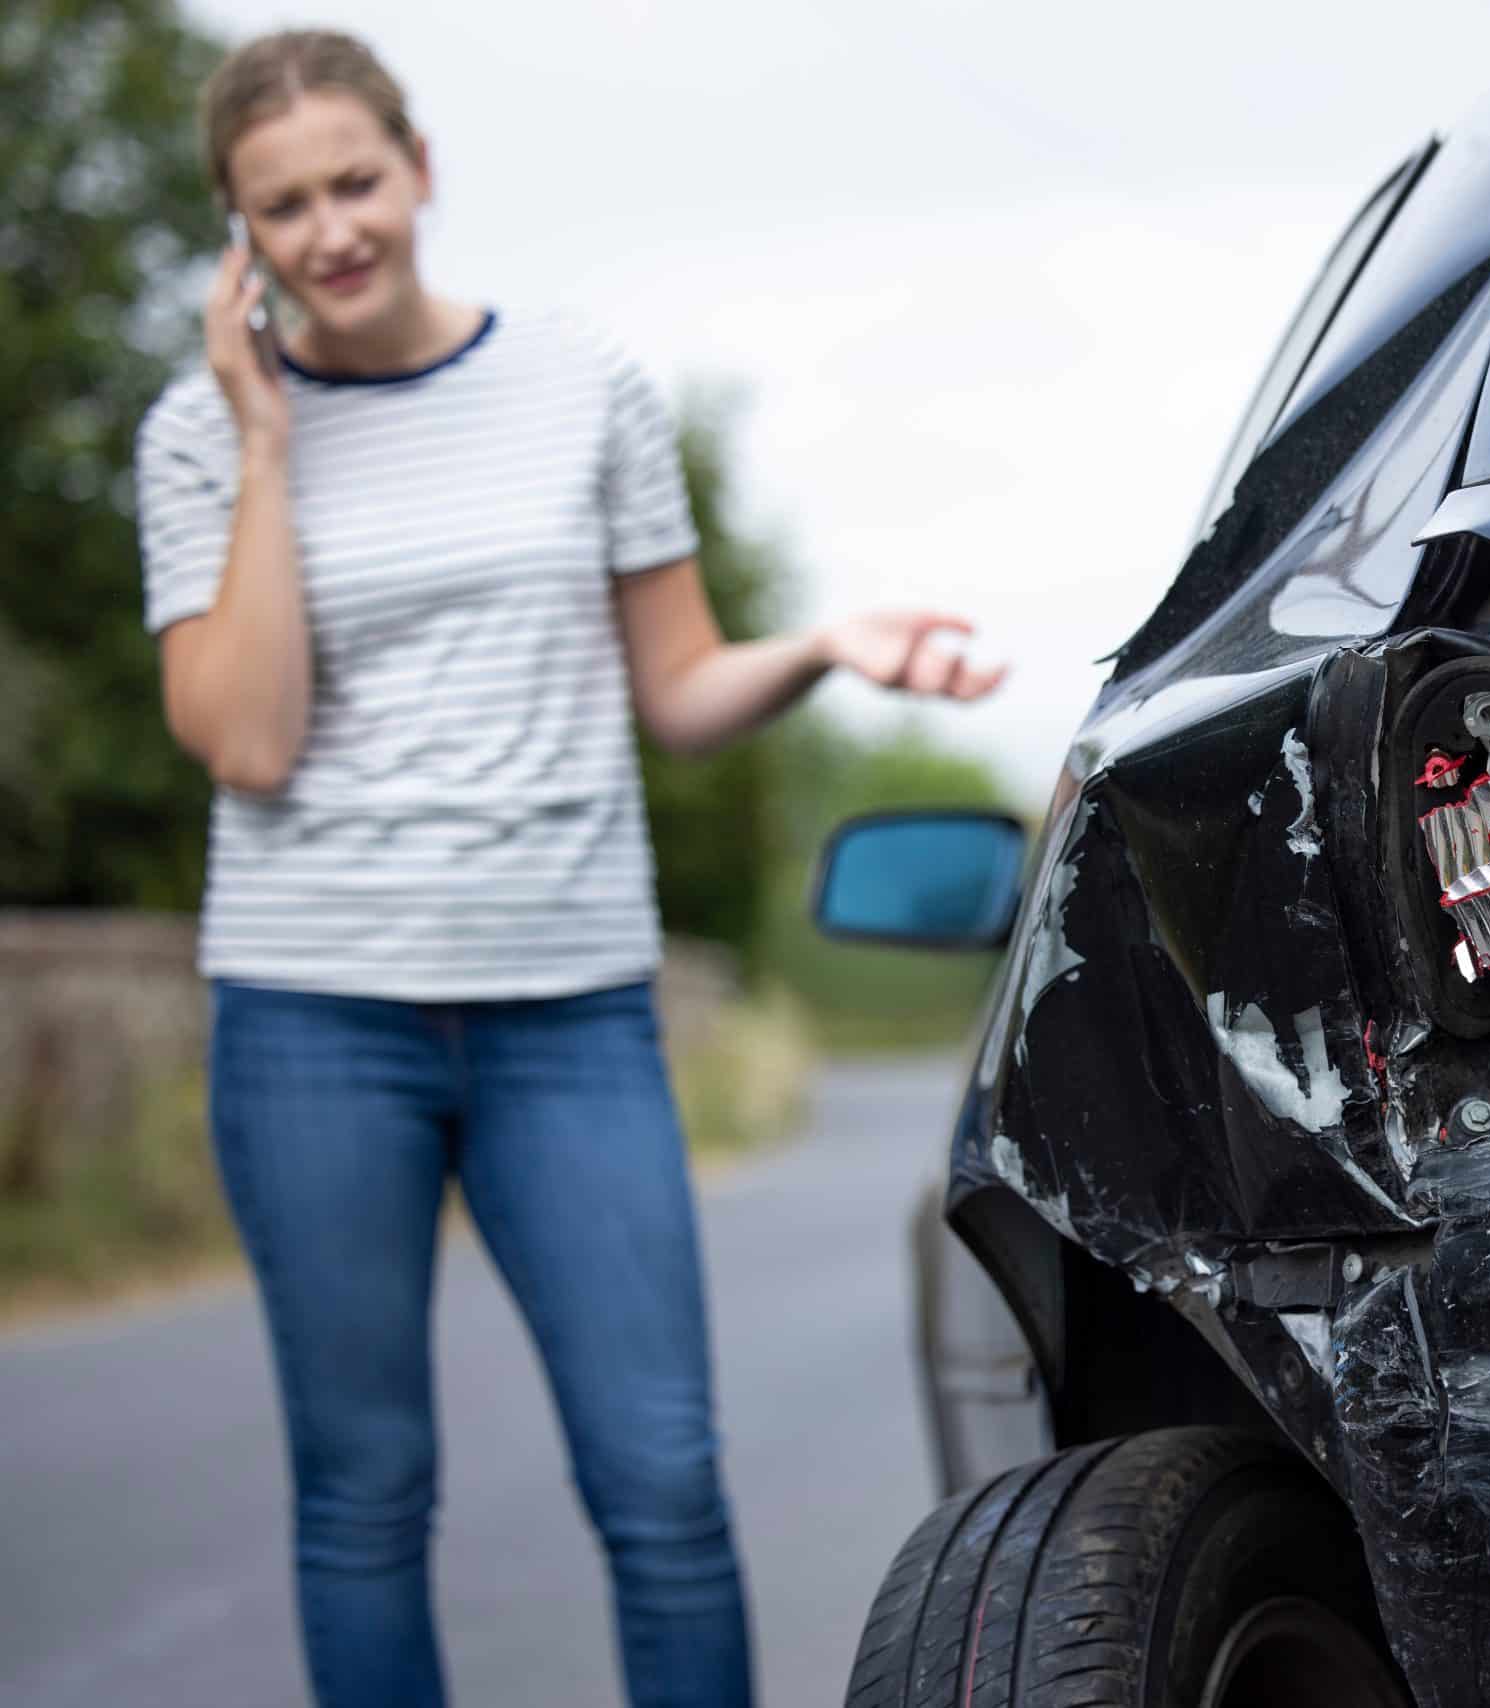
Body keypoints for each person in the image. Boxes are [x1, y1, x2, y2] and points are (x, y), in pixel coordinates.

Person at [133, 29, 1000, 1708]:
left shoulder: (580, 381)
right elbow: (246, 739)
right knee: (366, 1496)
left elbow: (676, 693)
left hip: (569, 1012)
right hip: (317, 1018)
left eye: (355, 182)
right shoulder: (196, 432)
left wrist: (820, 643)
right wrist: (261, 440)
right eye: (284, 206)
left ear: (421, 168)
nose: (332, 233)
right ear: (238, 235)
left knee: (663, 1482)